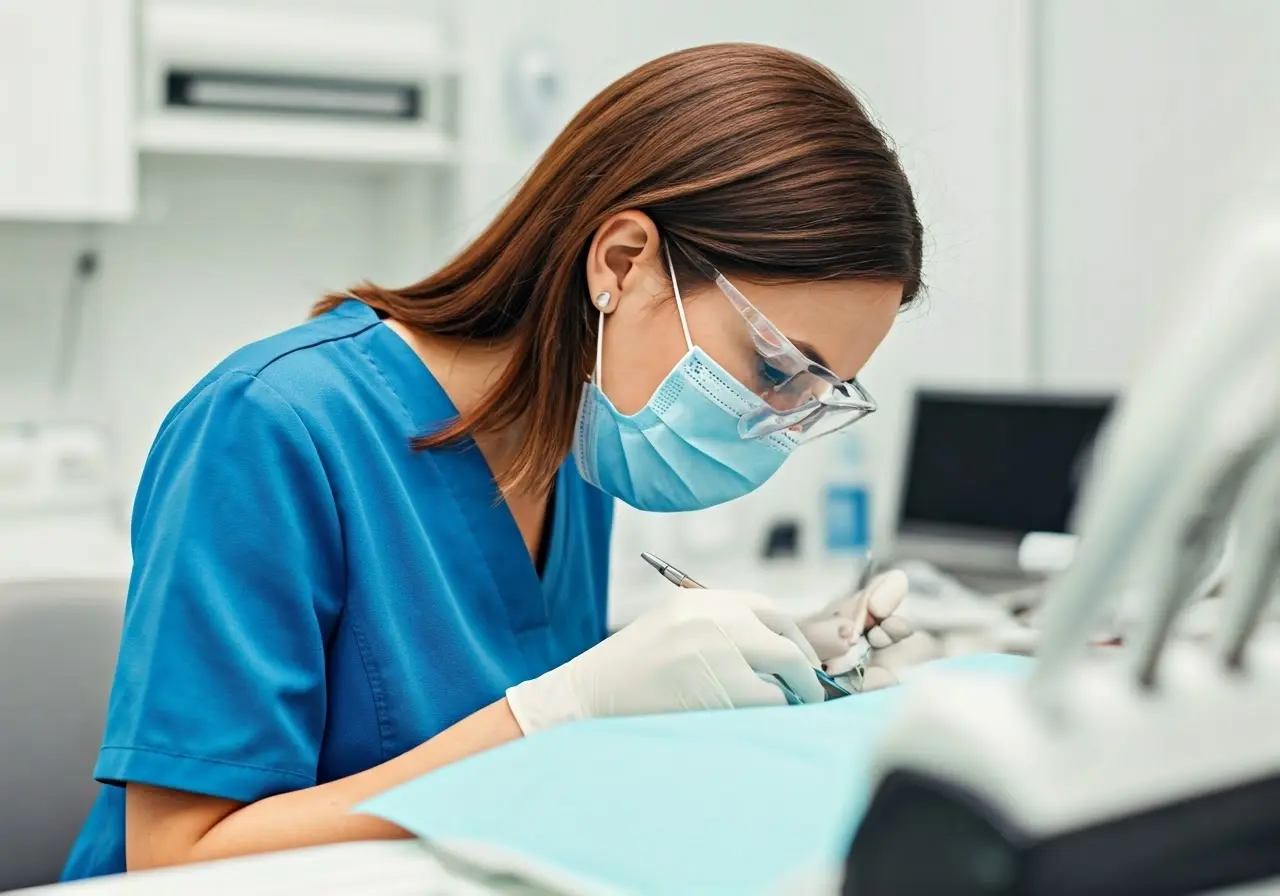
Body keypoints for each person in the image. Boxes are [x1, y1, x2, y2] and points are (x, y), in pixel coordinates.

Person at [62, 42, 922, 879]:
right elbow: (178, 856)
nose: (776, 419)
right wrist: (553, 715)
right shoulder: (272, 426)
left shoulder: (576, 443)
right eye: (776, 368)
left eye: (817, 394)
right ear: (622, 263)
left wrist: (769, 666)